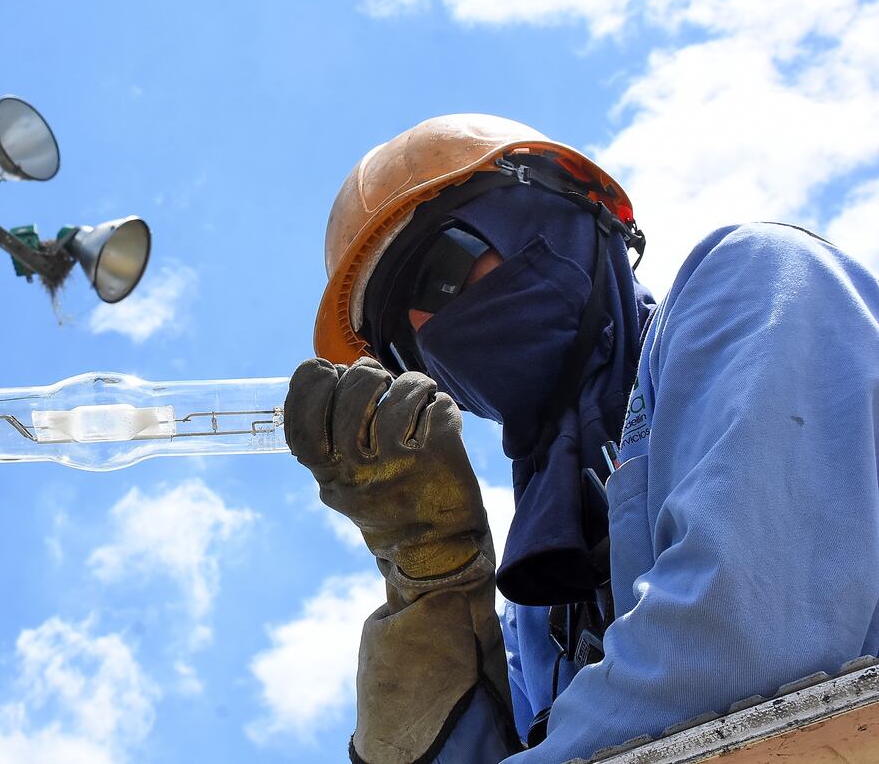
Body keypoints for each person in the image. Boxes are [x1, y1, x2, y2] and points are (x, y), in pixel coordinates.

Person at [285, 115, 879, 763]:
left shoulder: (756, 287)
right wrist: (432, 589)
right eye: (402, 340)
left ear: (563, 210)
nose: (432, 328)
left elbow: (738, 655)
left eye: (441, 269)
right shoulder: (537, 614)